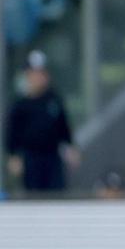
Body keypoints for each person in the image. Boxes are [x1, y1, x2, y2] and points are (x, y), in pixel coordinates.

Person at [6, 52, 77, 193]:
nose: (38, 77)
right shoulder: (20, 104)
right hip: (31, 158)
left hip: (52, 156)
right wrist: (13, 155)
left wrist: (70, 146)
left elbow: (63, 127)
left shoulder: (54, 100)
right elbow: (12, 133)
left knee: (56, 192)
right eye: (34, 73)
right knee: (33, 194)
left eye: (41, 73)